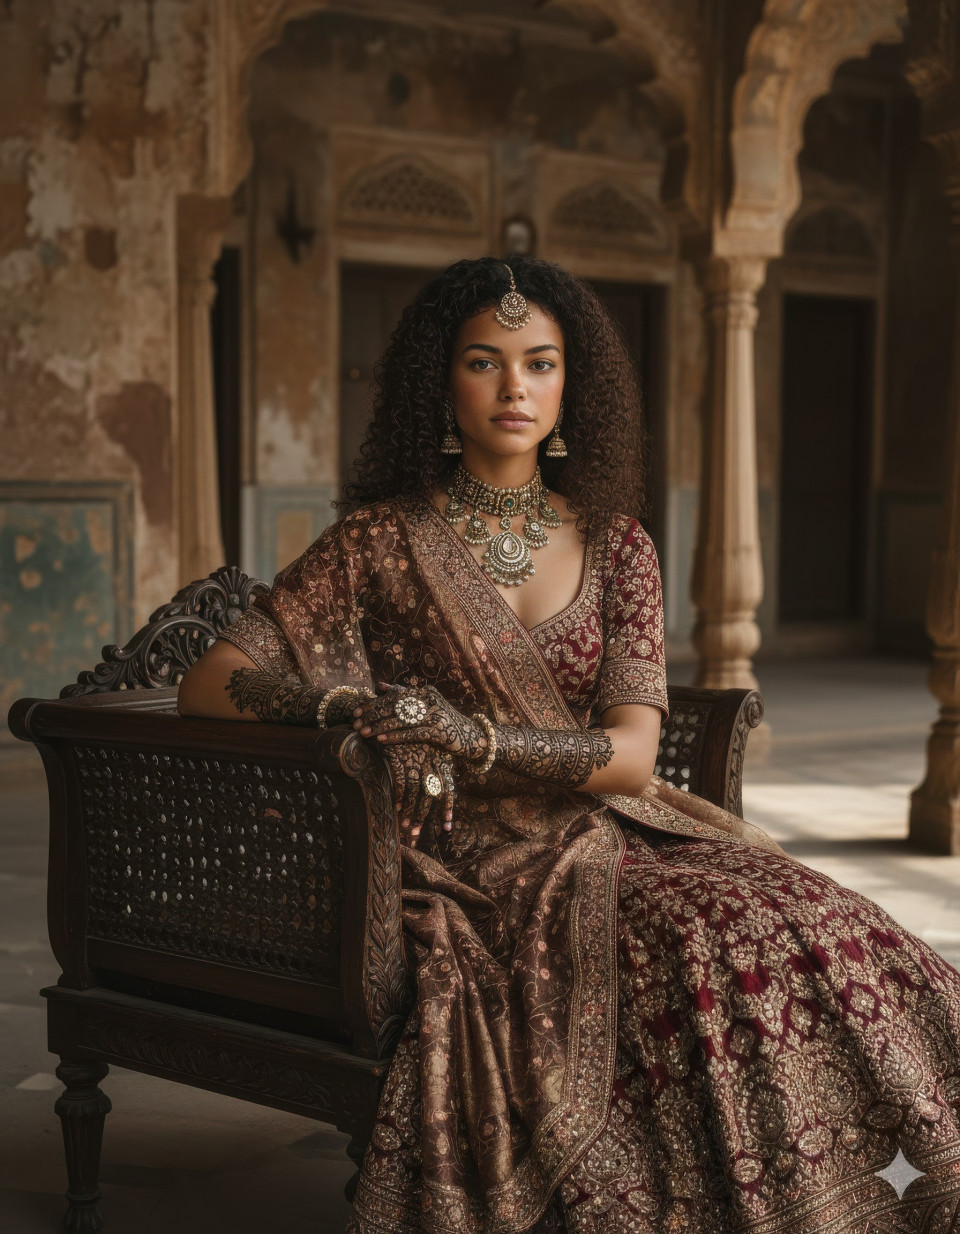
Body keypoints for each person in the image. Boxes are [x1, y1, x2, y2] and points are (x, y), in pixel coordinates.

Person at [178, 256, 960, 1233]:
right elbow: (210, 682)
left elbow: (631, 756)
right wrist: (363, 712)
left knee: (812, 916)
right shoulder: (375, 542)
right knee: (701, 936)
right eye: (485, 361)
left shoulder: (619, 542)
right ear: (440, 382)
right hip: (453, 855)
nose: (515, 388)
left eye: (540, 364)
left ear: (569, 384)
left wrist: (465, 732)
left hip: (606, 827)